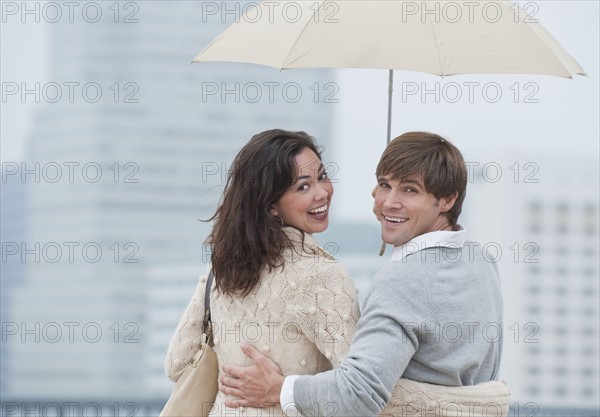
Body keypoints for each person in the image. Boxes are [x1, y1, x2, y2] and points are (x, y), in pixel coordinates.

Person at [218, 132, 510, 417]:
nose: (389, 202)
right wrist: (484, 402)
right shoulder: (482, 261)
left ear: (447, 200)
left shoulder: (401, 281)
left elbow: (360, 393)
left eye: (410, 190)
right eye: (385, 185)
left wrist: (280, 389)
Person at [165, 129, 361, 417]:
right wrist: (284, 388)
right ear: (271, 205)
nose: (322, 192)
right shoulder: (322, 277)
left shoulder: (221, 269)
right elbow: (359, 392)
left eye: (322, 176)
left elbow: (176, 363)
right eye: (303, 187)